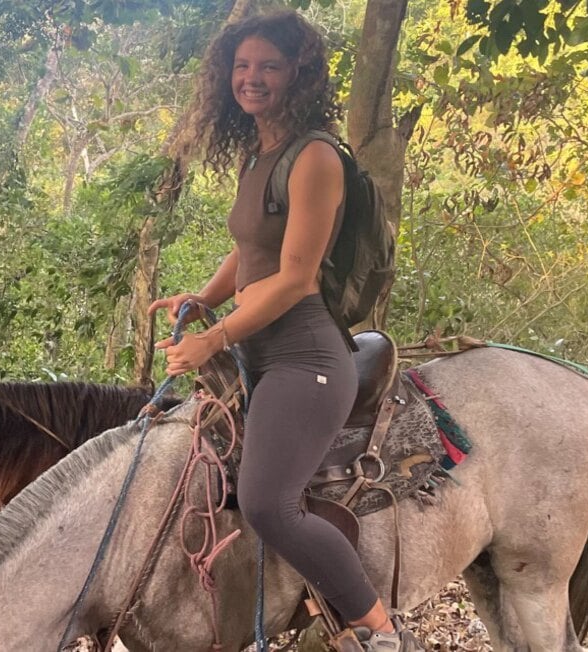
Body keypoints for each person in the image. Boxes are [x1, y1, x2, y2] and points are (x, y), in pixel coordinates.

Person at [148, 11, 423, 652]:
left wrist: (213, 339)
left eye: (268, 65)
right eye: (242, 66)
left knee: (270, 504)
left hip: (305, 356)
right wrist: (205, 297)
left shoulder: (316, 156)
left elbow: (296, 277)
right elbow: (250, 248)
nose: (252, 78)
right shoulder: (261, 151)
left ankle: (378, 629)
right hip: (259, 349)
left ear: (298, 73)